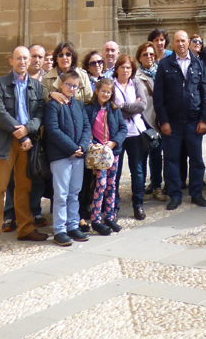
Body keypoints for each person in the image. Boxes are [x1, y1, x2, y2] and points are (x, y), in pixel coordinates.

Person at [0, 46, 49, 254]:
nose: (22, 61)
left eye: (25, 58)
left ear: (30, 61)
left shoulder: (37, 87)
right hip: (6, 141)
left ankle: (25, 229)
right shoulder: (0, 84)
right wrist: (19, 131)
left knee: (24, 188)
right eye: (18, 58)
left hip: (26, 141)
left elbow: (39, 113)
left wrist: (28, 131)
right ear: (10, 61)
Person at [153, 30, 206, 209]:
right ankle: (175, 195)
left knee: (196, 159)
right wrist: (163, 121)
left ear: (189, 42)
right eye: (177, 41)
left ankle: (196, 193)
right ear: (174, 44)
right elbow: (158, 96)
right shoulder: (165, 65)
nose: (180, 44)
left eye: (183, 41)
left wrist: (203, 119)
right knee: (171, 159)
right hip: (173, 121)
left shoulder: (198, 64)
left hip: (194, 121)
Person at [44, 67, 91, 246]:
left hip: (77, 156)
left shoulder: (78, 104)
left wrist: (83, 146)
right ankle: (60, 229)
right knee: (61, 194)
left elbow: (86, 127)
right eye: (69, 85)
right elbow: (53, 130)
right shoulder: (53, 105)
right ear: (61, 85)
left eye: (75, 86)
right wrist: (72, 147)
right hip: (61, 156)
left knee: (74, 193)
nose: (72, 89)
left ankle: (72, 225)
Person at [84, 76, 127, 234]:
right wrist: (93, 143)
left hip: (113, 152)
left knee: (111, 184)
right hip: (98, 153)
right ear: (97, 91)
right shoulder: (89, 109)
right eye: (103, 91)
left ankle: (109, 216)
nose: (106, 94)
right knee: (100, 184)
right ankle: (95, 219)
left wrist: (115, 142)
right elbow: (86, 128)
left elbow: (123, 129)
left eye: (109, 92)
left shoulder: (114, 109)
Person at [113, 53, 149, 221]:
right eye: (122, 67)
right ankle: (114, 206)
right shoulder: (111, 85)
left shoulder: (136, 83)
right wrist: (130, 107)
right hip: (117, 133)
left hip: (135, 131)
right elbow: (111, 108)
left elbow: (142, 105)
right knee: (116, 172)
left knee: (138, 170)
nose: (125, 70)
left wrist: (123, 106)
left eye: (128, 67)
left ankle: (138, 204)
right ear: (117, 68)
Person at [135, 41, 165, 202]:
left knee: (156, 156)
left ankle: (156, 186)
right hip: (142, 122)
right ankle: (139, 189)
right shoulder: (136, 76)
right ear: (139, 57)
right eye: (145, 54)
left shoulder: (160, 72)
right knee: (141, 158)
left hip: (157, 121)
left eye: (151, 54)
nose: (149, 57)